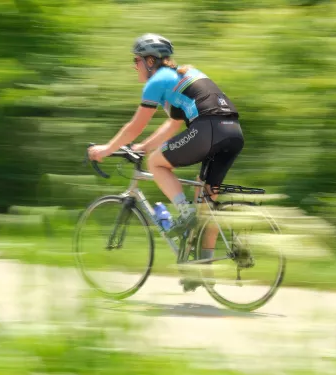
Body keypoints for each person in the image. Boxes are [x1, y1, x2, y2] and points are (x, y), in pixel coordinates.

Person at [88, 33, 244, 290]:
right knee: (206, 200)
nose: (134, 65)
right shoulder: (180, 76)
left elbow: (134, 126)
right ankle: (203, 269)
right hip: (232, 132)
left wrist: (105, 150)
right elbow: (172, 125)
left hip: (209, 129)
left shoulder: (156, 82)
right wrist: (141, 147)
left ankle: (184, 213)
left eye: (136, 60)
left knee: (156, 163)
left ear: (150, 61)